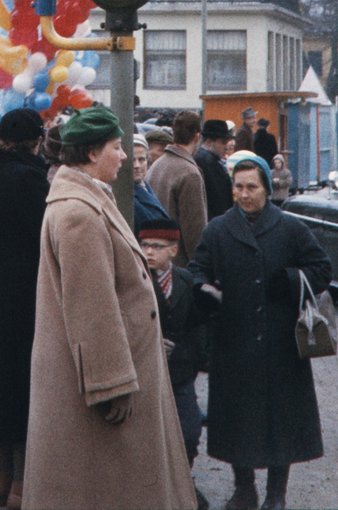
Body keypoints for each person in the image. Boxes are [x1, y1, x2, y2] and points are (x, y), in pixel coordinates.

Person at [23, 106, 197, 510]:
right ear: (90, 153)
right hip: (104, 386)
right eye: (117, 147)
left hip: (109, 373)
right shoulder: (78, 213)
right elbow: (91, 307)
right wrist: (112, 384)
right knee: (105, 490)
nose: (125, 156)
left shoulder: (84, 201)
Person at [189, 154, 332, 510]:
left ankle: (276, 494)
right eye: (238, 187)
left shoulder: (290, 227)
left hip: (281, 342)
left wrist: (288, 282)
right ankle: (244, 490)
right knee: (238, 418)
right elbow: (197, 269)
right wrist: (204, 289)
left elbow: (321, 268)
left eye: (252, 187)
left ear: (267, 189)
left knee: (279, 419)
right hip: (233, 340)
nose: (244, 194)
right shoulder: (218, 229)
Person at [0, 109, 49, 510]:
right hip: (31, 287)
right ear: (38, 140)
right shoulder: (33, 178)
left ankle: (1, 477)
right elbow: (45, 233)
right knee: (24, 383)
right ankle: (21, 483)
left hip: (1, 283)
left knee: (0, 381)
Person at [139, 217, 208, 510]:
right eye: (144, 245)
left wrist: (180, 353)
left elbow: (199, 332)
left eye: (157, 246)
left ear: (174, 249)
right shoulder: (134, 281)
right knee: (148, 437)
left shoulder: (186, 282)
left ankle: (183, 481)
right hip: (144, 375)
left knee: (189, 432)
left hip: (180, 375)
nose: (149, 252)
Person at [146, 110, 207, 266]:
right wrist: (202, 266)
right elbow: (194, 230)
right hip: (179, 266)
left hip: (155, 259)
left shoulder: (156, 166)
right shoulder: (190, 173)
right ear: (197, 137)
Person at [194, 119, 234, 221]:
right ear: (209, 141)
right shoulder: (203, 163)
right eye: (223, 142)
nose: (226, 147)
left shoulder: (212, 162)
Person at [132, 133, 167, 230]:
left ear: (148, 160)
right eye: (132, 160)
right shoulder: (126, 197)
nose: (137, 165)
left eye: (141, 159)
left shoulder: (145, 186)